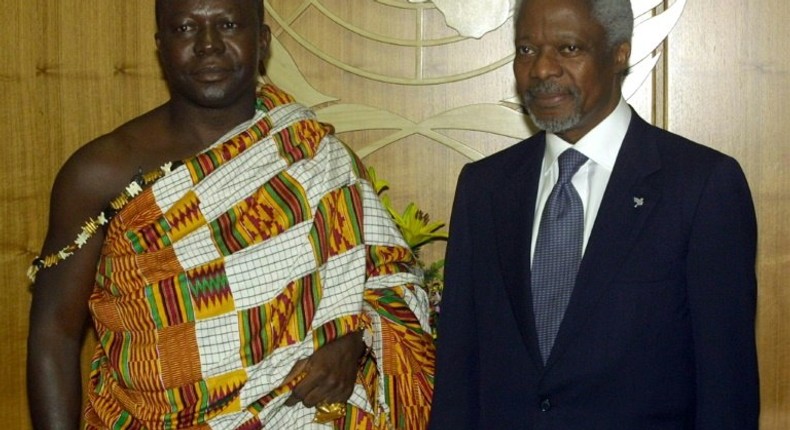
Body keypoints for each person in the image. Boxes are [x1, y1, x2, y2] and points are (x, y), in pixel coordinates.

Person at [26, 0, 434, 428]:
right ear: (159, 45)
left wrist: (355, 339)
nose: (208, 45)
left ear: (261, 41)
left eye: (228, 24)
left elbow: (391, 281)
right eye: (185, 28)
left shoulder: (314, 157)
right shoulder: (101, 171)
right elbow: (54, 332)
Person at [429, 0, 759, 428]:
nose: (542, 69)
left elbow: (726, 390)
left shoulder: (700, 186)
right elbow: (459, 372)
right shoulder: (484, 187)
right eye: (527, 50)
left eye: (568, 48)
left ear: (619, 53)